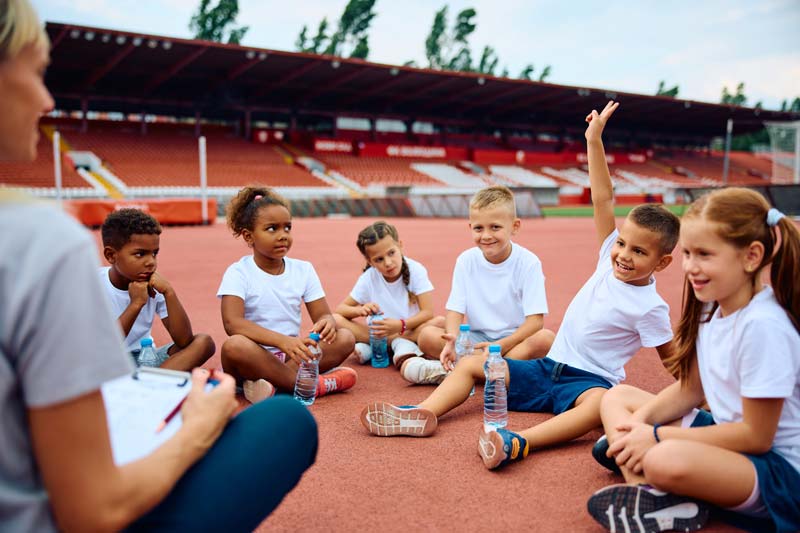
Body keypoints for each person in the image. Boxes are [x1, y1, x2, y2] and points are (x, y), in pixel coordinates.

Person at [0, 2, 316, 531]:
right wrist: (199, 426)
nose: (45, 98)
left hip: (127, 375)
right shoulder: (36, 239)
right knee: (284, 422)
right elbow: (92, 511)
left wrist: (164, 297)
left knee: (201, 352)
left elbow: (190, 337)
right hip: (67, 500)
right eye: (35, 71)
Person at [360, 103, 680, 475]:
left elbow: (672, 360)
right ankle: (423, 413)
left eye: (638, 251)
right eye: (622, 243)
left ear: (662, 263)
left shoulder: (652, 307)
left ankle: (520, 442)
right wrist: (594, 140)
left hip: (589, 382)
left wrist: (699, 398)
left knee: (599, 406)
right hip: (546, 369)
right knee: (469, 364)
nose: (622, 254)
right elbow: (603, 198)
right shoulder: (607, 256)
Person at [587, 187, 800, 533]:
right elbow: (690, 390)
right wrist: (636, 429)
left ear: (751, 256)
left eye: (704, 254)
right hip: (729, 441)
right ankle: (649, 495)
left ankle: (654, 483)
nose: (690, 267)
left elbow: (757, 437)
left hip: (777, 471)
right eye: (687, 253)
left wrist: (655, 438)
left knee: (661, 459)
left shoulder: (763, 326)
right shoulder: (711, 307)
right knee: (617, 398)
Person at [359, 185, 549, 427]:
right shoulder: (466, 260)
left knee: (545, 339)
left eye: (495, 227)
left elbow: (535, 321)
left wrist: (500, 345)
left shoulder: (528, 263)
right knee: (429, 334)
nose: (486, 235)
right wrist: (451, 340)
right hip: (478, 342)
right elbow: (455, 309)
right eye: (479, 228)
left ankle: (469, 371)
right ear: (470, 228)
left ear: (515, 227)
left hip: (513, 345)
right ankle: (481, 373)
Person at [218, 185, 357, 403]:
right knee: (234, 345)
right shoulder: (238, 272)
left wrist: (327, 323)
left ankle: (273, 385)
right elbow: (232, 323)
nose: (283, 236)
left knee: (345, 337)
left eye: (287, 228)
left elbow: (323, 315)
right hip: (254, 358)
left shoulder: (303, 269)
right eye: (272, 229)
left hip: (293, 357)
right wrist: (283, 342)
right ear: (248, 236)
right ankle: (313, 386)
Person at [100, 208, 215, 371]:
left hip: (145, 357)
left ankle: (150, 382)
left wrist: (169, 293)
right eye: (140, 254)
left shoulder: (153, 283)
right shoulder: (94, 285)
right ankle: (156, 383)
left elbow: (184, 341)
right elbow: (105, 347)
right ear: (111, 255)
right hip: (108, 363)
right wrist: (136, 304)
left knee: (204, 342)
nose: (150, 262)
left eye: (154, 253)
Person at [333, 220, 445, 382]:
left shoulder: (416, 270)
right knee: (335, 320)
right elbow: (341, 310)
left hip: (408, 329)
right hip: (377, 333)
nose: (388, 263)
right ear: (370, 261)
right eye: (379, 259)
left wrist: (400, 325)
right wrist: (360, 310)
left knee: (440, 322)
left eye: (391, 253)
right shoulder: (368, 278)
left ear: (400, 245)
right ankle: (393, 345)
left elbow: (427, 313)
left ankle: (379, 347)